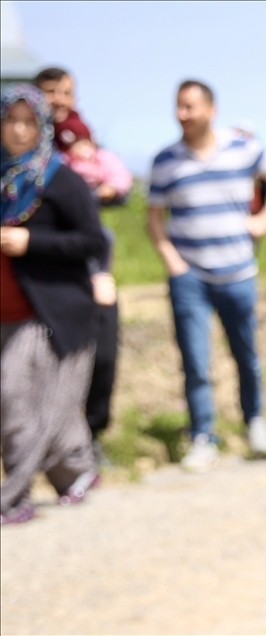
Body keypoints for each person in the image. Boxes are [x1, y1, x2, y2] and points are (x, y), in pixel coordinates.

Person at [147, 80, 266, 471]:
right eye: (178, 106)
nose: (182, 114)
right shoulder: (165, 160)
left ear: (210, 110)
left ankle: (255, 424)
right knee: (195, 360)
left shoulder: (243, 147)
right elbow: (154, 217)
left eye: (190, 106)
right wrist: (171, 260)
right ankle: (202, 435)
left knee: (246, 354)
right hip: (189, 276)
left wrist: (264, 219)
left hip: (238, 272)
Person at [1, 85, 106, 524]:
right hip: (5, 312)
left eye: (29, 121)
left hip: (46, 313)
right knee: (49, 406)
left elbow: (91, 241)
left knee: (13, 400)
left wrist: (31, 242)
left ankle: (13, 497)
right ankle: (77, 472)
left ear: (42, 126)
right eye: (10, 120)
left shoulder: (60, 178)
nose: (19, 130)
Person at [33, 68, 123, 454]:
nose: (58, 100)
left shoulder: (81, 138)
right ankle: (44, 444)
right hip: (35, 271)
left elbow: (115, 190)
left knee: (103, 355)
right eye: (50, 91)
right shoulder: (21, 154)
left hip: (86, 262)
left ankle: (90, 437)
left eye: (66, 92)